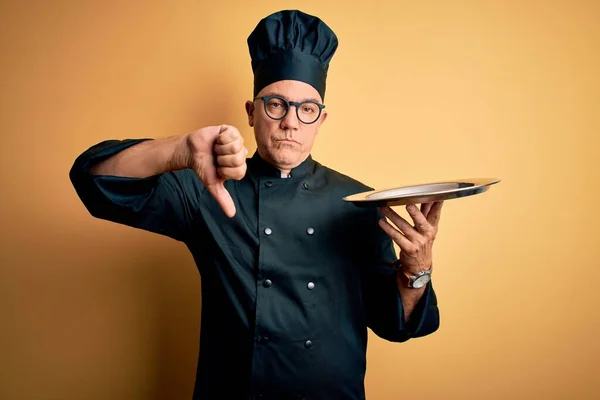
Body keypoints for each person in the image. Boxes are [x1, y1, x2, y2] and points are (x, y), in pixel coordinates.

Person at [69, 9, 443, 400]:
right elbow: (93, 180)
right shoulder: (209, 186)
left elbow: (394, 324)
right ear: (251, 112)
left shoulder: (360, 203)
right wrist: (176, 150)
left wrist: (416, 271)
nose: (290, 122)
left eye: (307, 109)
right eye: (276, 104)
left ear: (321, 119)